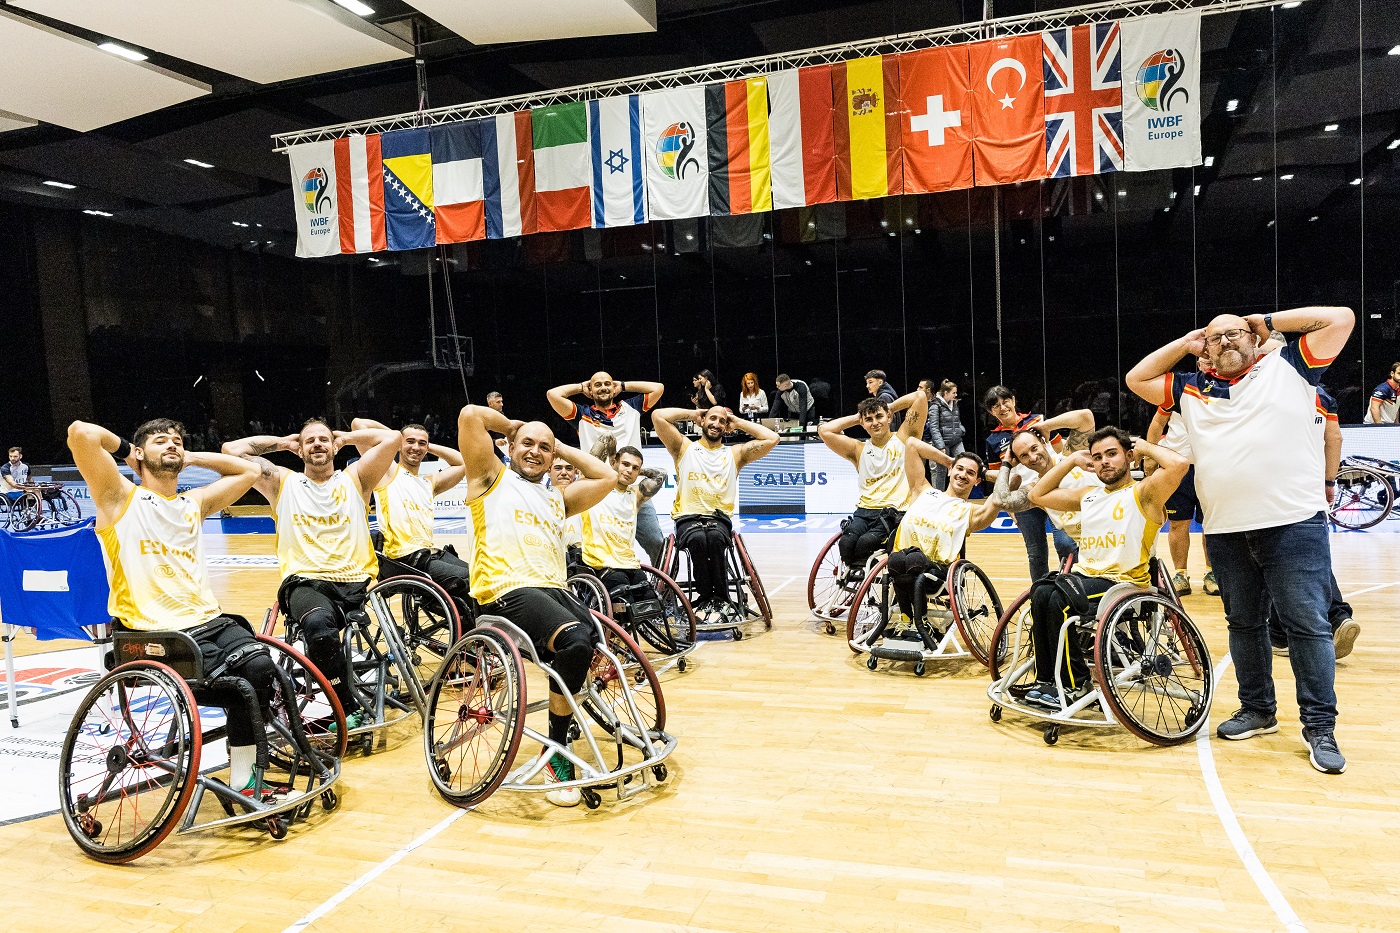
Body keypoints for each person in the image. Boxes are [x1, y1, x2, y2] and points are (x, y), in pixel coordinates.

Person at [1127, 305, 1355, 774]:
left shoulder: (1291, 368)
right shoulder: (1192, 388)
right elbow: (1137, 378)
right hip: (1225, 529)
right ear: (1205, 352)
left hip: (1293, 523)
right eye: (1216, 338)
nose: (1227, 341)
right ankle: (1258, 709)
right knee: (1244, 624)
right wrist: (1187, 344)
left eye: (1235, 334)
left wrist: (1266, 322)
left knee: (1307, 626)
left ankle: (1319, 727)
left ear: (1252, 339)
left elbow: (1342, 318)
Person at [69, 418, 279, 798]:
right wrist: (126, 453)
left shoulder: (193, 504)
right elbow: (81, 432)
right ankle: (246, 781)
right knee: (243, 688)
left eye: (178, 441)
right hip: (156, 635)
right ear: (138, 453)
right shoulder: (118, 497)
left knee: (264, 669)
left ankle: (245, 774)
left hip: (209, 623)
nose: (172, 445)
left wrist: (189, 457)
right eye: (160, 441)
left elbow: (251, 469)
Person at [455, 403, 616, 806]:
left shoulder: (556, 499)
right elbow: (470, 416)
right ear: (509, 447)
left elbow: (608, 475)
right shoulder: (489, 477)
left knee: (597, 640)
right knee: (576, 642)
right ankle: (555, 753)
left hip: (552, 591)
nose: (535, 451)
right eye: (527, 444)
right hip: (506, 592)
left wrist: (558, 444)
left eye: (544, 448)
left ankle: (565, 722)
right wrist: (517, 426)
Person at [224, 419, 402, 730]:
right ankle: (345, 707)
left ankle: (340, 694)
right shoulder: (282, 482)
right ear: (300, 450)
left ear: (334, 447)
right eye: (310, 441)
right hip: (306, 582)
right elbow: (231, 451)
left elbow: (393, 438)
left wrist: (345, 437)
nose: (317, 444)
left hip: (353, 582)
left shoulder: (357, 478)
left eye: (323, 439)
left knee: (325, 628)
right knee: (319, 627)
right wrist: (283, 442)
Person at [1020, 427, 1189, 710]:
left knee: (1059, 598)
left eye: (1112, 454)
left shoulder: (1145, 492)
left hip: (1124, 586)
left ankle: (1075, 684)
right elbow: (1038, 494)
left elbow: (1180, 464)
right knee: (1041, 592)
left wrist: (1143, 446)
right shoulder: (1089, 495)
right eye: (1097, 457)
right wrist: (1072, 460)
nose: (1104, 462)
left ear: (1129, 456)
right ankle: (1047, 680)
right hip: (1084, 579)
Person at [651, 405, 778, 621]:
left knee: (717, 540)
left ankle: (721, 598)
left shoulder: (735, 454)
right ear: (702, 421)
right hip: (687, 517)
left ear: (726, 427)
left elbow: (772, 438)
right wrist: (693, 414)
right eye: (712, 418)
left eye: (721, 421)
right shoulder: (683, 447)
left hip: (719, 519)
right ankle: (706, 596)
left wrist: (736, 421)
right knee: (699, 540)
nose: (716, 424)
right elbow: (658, 416)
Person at [1268, 385, 1360, 659]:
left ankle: (1282, 634)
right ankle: (1337, 617)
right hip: (1311, 489)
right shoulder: (1323, 395)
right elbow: (1335, 439)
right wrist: (1329, 481)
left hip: (1274, 490)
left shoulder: (1262, 388)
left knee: (1272, 560)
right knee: (1313, 559)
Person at [546, 371, 666, 565]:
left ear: (614, 388)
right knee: (593, 549)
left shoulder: (631, 408)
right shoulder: (582, 414)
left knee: (656, 542)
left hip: (631, 490)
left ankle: (664, 589)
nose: (603, 388)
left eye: (607, 384)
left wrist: (624, 385)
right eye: (598, 385)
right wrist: (580, 387)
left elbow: (658, 388)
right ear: (591, 391)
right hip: (597, 490)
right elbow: (553, 395)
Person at [350, 418, 470, 608]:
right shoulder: (386, 471)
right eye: (410, 441)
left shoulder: (428, 483)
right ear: (399, 444)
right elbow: (358, 424)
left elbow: (462, 464)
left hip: (429, 554)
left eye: (421, 443)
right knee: (466, 579)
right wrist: (397, 437)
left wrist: (428, 446)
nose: (416, 447)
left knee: (481, 579)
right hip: (403, 559)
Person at [982, 386, 1095, 581]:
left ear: (1013, 400)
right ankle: (1040, 598)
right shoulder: (993, 440)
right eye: (995, 406)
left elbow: (1060, 449)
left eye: (1005, 401)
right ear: (991, 412)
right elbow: (999, 475)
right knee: (1036, 554)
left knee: (1066, 545)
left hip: (1055, 490)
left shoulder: (1037, 421)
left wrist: (1047, 427)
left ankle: (1073, 587)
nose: (1002, 407)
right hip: (1027, 496)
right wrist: (1011, 507)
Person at [818, 389, 937, 575]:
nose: (875, 423)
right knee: (846, 543)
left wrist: (887, 407)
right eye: (869, 419)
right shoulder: (858, 449)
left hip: (894, 511)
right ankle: (861, 577)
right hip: (864, 511)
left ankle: (873, 577)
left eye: (879, 417)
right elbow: (824, 430)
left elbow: (920, 397)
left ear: (889, 417)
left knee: (866, 542)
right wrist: (858, 417)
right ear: (863, 424)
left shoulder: (905, 439)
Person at [885, 444, 1002, 630]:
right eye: (960, 469)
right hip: (901, 560)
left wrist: (984, 473)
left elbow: (1012, 482)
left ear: (977, 481)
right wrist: (949, 461)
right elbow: (912, 445)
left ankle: (918, 621)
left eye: (970, 473)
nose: (963, 475)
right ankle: (908, 618)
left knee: (912, 559)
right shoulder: (922, 490)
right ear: (949, 471)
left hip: (937, 570)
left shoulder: (971, 512)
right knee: (898, 559)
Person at [1145, 374, 1219, 597]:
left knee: (1212, 525)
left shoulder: (1226, 389)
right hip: (1179, 467)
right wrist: (1150, 457)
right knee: (1178, 524)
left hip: (1211, 466)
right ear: (1198, 363)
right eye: (1203, 359)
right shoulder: (1179, 391)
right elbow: (1157, 423)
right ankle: (1180, 574)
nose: (1208, 363)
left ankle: (1212, 573)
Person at [579, 445, 664, 615]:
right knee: (627, 607)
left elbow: (660, 474)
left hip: (630, 564)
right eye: (625, 464)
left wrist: (634, 472)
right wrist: (613, 469)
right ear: (614, 462)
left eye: (635, 468)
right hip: (603, 565)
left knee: (652, 604)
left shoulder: (635, 495)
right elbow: (597, 452)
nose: (629, 470)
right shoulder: (592, 486)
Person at [996, 429, 1100, 558]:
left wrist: (1045, 426)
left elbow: (1085, 416)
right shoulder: (1036, 491)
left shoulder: (1068, 454)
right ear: (1019, 462)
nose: (1033, 457)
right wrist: (1006, 464)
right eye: (1024, 456)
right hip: (1092, 553)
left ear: (1043, 442)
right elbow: (1001, 501)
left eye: (1034, 448)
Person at [923, 379, 966, 491]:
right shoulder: (935, 405)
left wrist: (961, 430)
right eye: (954, 393)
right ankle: (938, 496)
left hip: (956, 440)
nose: (956, 395)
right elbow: (934, 427)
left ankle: (958, 494)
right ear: (946, 393)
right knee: (940, 471)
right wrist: (940, 445)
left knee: (963, 464)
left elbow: (958, 420)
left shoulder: (955, 404)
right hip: (942, 442)